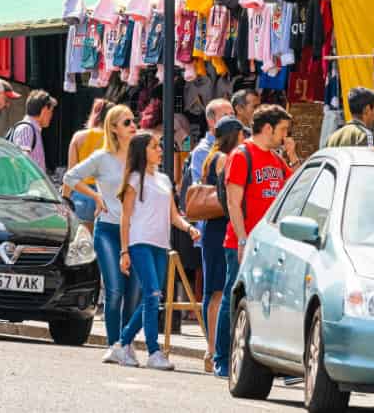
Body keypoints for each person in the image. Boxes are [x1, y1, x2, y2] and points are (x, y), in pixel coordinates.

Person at [115, 131, 200, 370]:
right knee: (152, 294)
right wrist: (124, 251)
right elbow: (125, 217)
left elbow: (173, 215)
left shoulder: (164, 180)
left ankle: (123, 343)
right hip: (139, 242)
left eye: (159, 147)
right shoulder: (133, 179)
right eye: (155, 147)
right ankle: (153, 351)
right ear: (143, 151)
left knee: (153, 297)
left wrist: (188, 228)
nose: (160, 150)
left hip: (161, 244)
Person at [218, 105, 293, 376]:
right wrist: (241, 240)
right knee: (234, 299)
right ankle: (222, 359)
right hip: (244, 242)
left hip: (269, 245)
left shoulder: (275, 159)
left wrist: (293, 156)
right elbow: (233, 202)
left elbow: (296, 186)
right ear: (268, 128)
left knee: (264, 301)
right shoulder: (242, 155)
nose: (285, 136)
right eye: (283, 130)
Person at [66, 103, 137, 355]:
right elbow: (70, 177)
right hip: (108, 229)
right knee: (115, 289)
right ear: (114, 128)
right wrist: (96, 196)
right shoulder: (102, 158)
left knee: (134, 292)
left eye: (133, 121)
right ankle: (113, 344)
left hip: (136, 232)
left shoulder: (139, 156)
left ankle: (126, 344)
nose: (133, 126)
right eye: (127, 122)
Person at [196, 116, 243, 376]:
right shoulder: (224, 159)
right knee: (217, 292)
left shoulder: (210, 157)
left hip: (210, 228)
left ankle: (210, 348)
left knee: (211, 291)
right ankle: (213, 349)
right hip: (219, 227)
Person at [67, 101, 110, 228]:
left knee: (83, 242)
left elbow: (70, 173)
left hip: (82, 193)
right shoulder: (116, 139)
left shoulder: (79, 137)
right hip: (107, 196)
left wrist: (65, 198)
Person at [187, 98, 234, 187]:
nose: (231, 120)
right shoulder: (202, 151)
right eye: (225, 116)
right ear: (211, 121)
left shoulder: (239, 143)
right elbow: (200, 188)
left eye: (232, 115)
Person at [7, 90, 56, 171]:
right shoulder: (26, 129)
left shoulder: (33, 129)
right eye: (50, 111)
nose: (51, 116)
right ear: (44, 110)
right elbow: (20, 162)